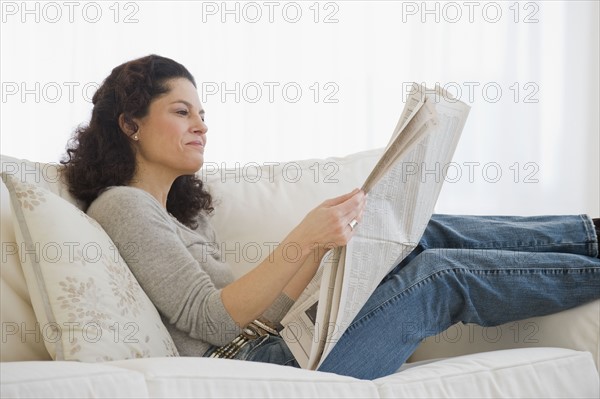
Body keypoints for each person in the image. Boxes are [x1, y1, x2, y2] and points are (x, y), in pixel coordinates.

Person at [61, 54, 600, 380]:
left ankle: (590, 235)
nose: (201, 125)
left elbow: (256, 310)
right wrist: (304, 240)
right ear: (130, 123)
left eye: (203, 114)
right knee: (439, 275)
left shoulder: (179, 215)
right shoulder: (124, 205)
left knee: (414, 235)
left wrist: (333, 251)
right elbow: (212, 321)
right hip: (259, 366)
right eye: (182, 112)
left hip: (276, 344)